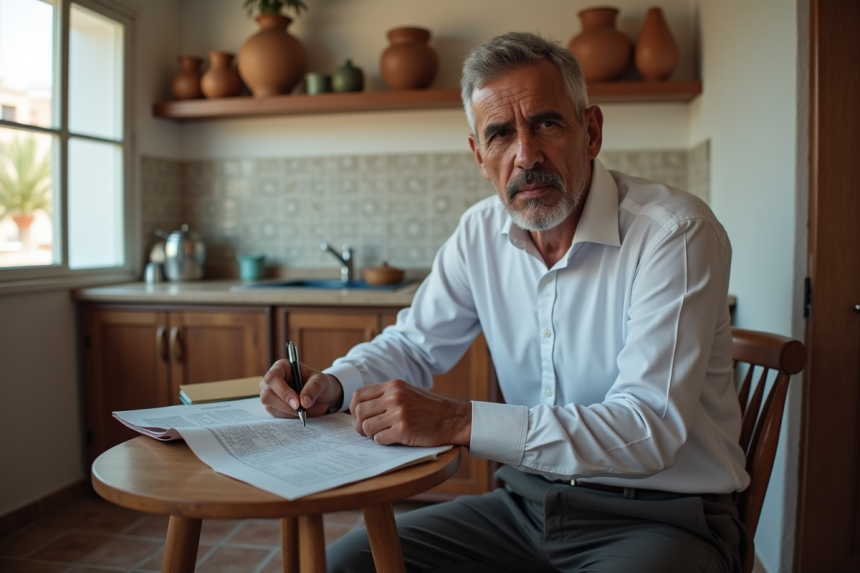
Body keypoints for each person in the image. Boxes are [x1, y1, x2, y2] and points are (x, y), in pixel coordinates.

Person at [261, 32, 749, 573]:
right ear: (479, 155)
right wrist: (332, 384)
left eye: (547, 124)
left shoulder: (675, 233)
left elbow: (648, 428)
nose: (526, 155)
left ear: (590, 132)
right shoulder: (478, 232)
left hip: (662, 516)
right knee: (346, 564)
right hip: (525, 507)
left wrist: (457, 421)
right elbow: (415, 345)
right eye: (500, 134)